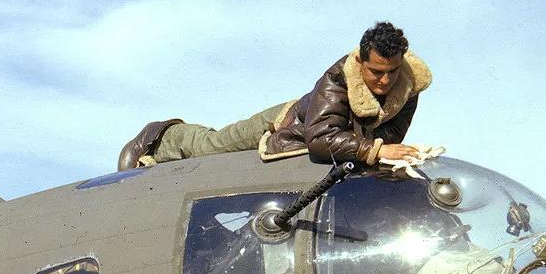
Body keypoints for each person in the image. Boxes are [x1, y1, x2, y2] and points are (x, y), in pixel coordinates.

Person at [118, 21, 433, 170]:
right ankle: (161, 135)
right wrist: (375, 150)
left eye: (391, 71)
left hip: (337, 141)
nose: (384, 80)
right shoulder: (338, 77)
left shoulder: (406, 87)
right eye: (376, 72)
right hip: (285, 123)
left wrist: (389, 151)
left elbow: (390, 136)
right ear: (361, 61)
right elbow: (322, 138)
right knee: (212, 146)